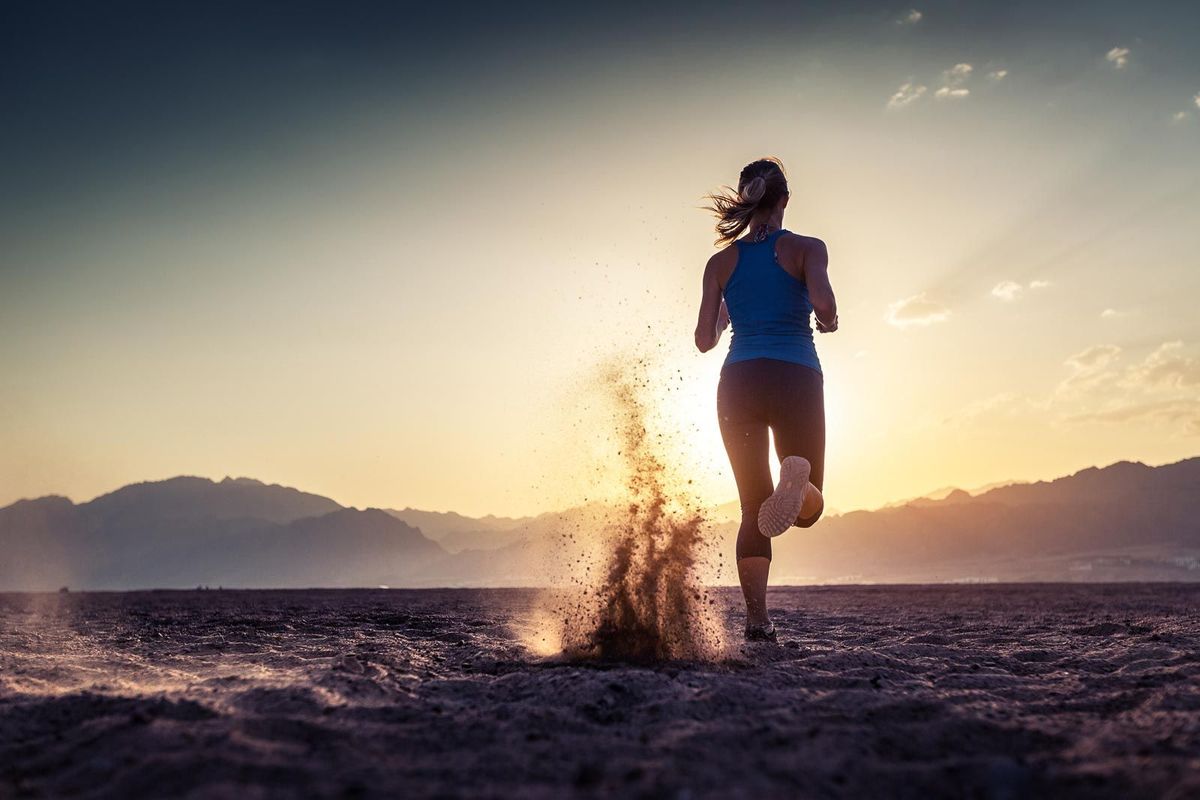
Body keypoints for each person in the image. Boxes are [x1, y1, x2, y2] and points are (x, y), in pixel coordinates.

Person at [695, 156, 838, 642]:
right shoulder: (807, 248)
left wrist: (731, 313)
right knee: (808, 510)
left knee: (752, 507)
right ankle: (797, 479)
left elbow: (703, 339)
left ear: (745, 201)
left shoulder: (721, 263)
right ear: (785, 200)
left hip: (738, 382)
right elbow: (825, 305)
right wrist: (829, 320)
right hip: (794, 376)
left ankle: (757, 622)